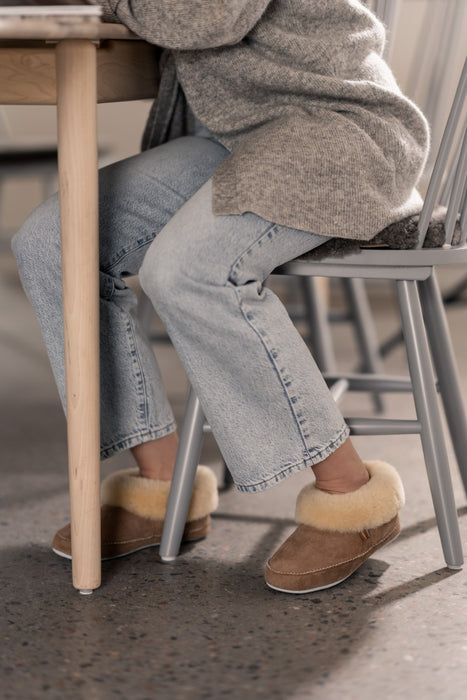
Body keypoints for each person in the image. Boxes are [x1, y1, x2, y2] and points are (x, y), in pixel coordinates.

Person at [12, 0, 428, 594]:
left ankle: (351, 495)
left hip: (333, 130)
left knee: (187, 270)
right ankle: (160, 488)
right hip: (234, 139)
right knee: (53, 243)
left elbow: (212, 14)